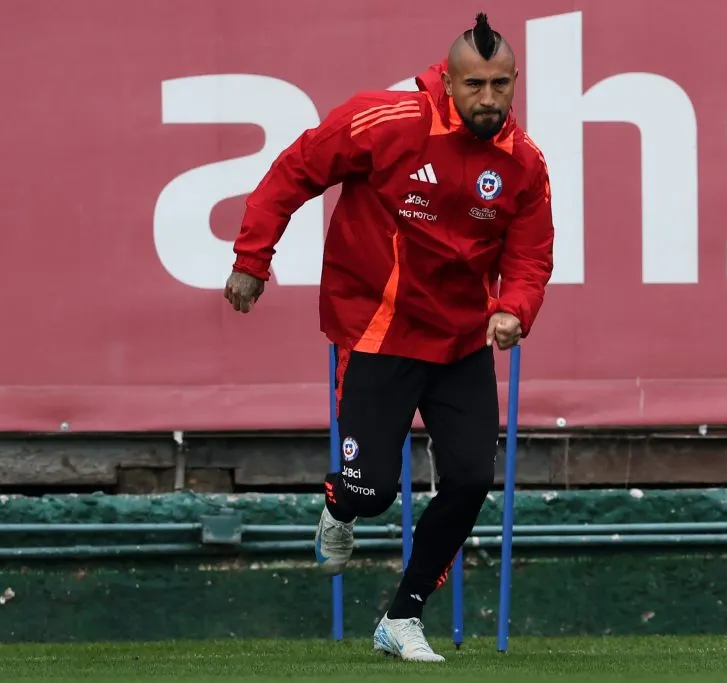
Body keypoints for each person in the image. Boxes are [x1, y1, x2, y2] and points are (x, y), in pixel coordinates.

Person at [223, 13, 554, 662]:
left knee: (468, 478)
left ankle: (402, 615)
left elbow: (530, 254)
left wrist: (514, 308)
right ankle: (339, 505)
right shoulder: (386, 120)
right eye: (475, 85)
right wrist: (251, 259)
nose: (489, 98)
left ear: (515, 82)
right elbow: (293, 172)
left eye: (501, 85)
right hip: (378, 328)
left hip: (460, 341)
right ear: (448, 81)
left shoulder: (523, 162)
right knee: (373, 492)